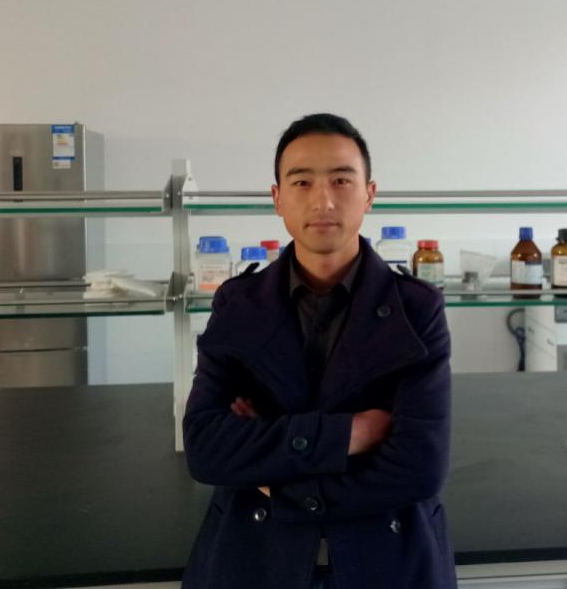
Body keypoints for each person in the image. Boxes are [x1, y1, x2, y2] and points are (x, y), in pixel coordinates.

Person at [182, 113, 456, 589]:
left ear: (369, 194)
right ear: (278, 198)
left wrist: (274, 476)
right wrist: (349, 434)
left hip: (389, 560)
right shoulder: (238, 304)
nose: (323, 200)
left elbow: (418, 467)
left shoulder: (417, 308)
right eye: (302, 181)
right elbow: (207, 448)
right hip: (257, 558)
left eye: (342, 180)